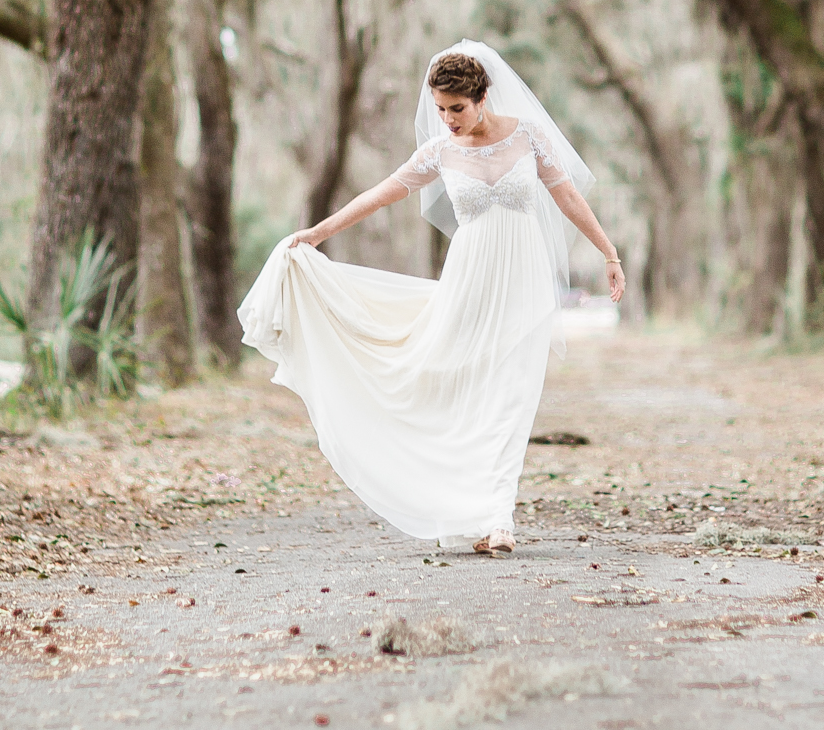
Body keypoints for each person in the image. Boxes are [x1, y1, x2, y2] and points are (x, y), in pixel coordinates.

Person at [237, 39, 625, 553]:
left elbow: (567, 195)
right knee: (466, 390)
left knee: (513, 393)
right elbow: (381, 193)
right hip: (469, 279)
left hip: (524, 279)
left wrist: (609, 253)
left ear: (483, 97)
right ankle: (465, 508)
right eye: (440, 110)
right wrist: (317, 233)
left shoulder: (528, 136)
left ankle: (499, 519)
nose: (448, 120)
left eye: (457, 109)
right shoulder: (440, 151)